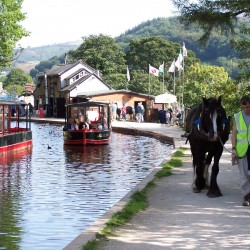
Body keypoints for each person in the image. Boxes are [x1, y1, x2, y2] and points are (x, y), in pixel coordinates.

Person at [231, 95, 250, 206]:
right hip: (241, 150)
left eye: (247, 107)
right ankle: (246, 196)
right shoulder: (237, 117)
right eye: (243, 108)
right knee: (244, 175)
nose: (245, 110)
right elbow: (234, 133)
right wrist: (233, 148)